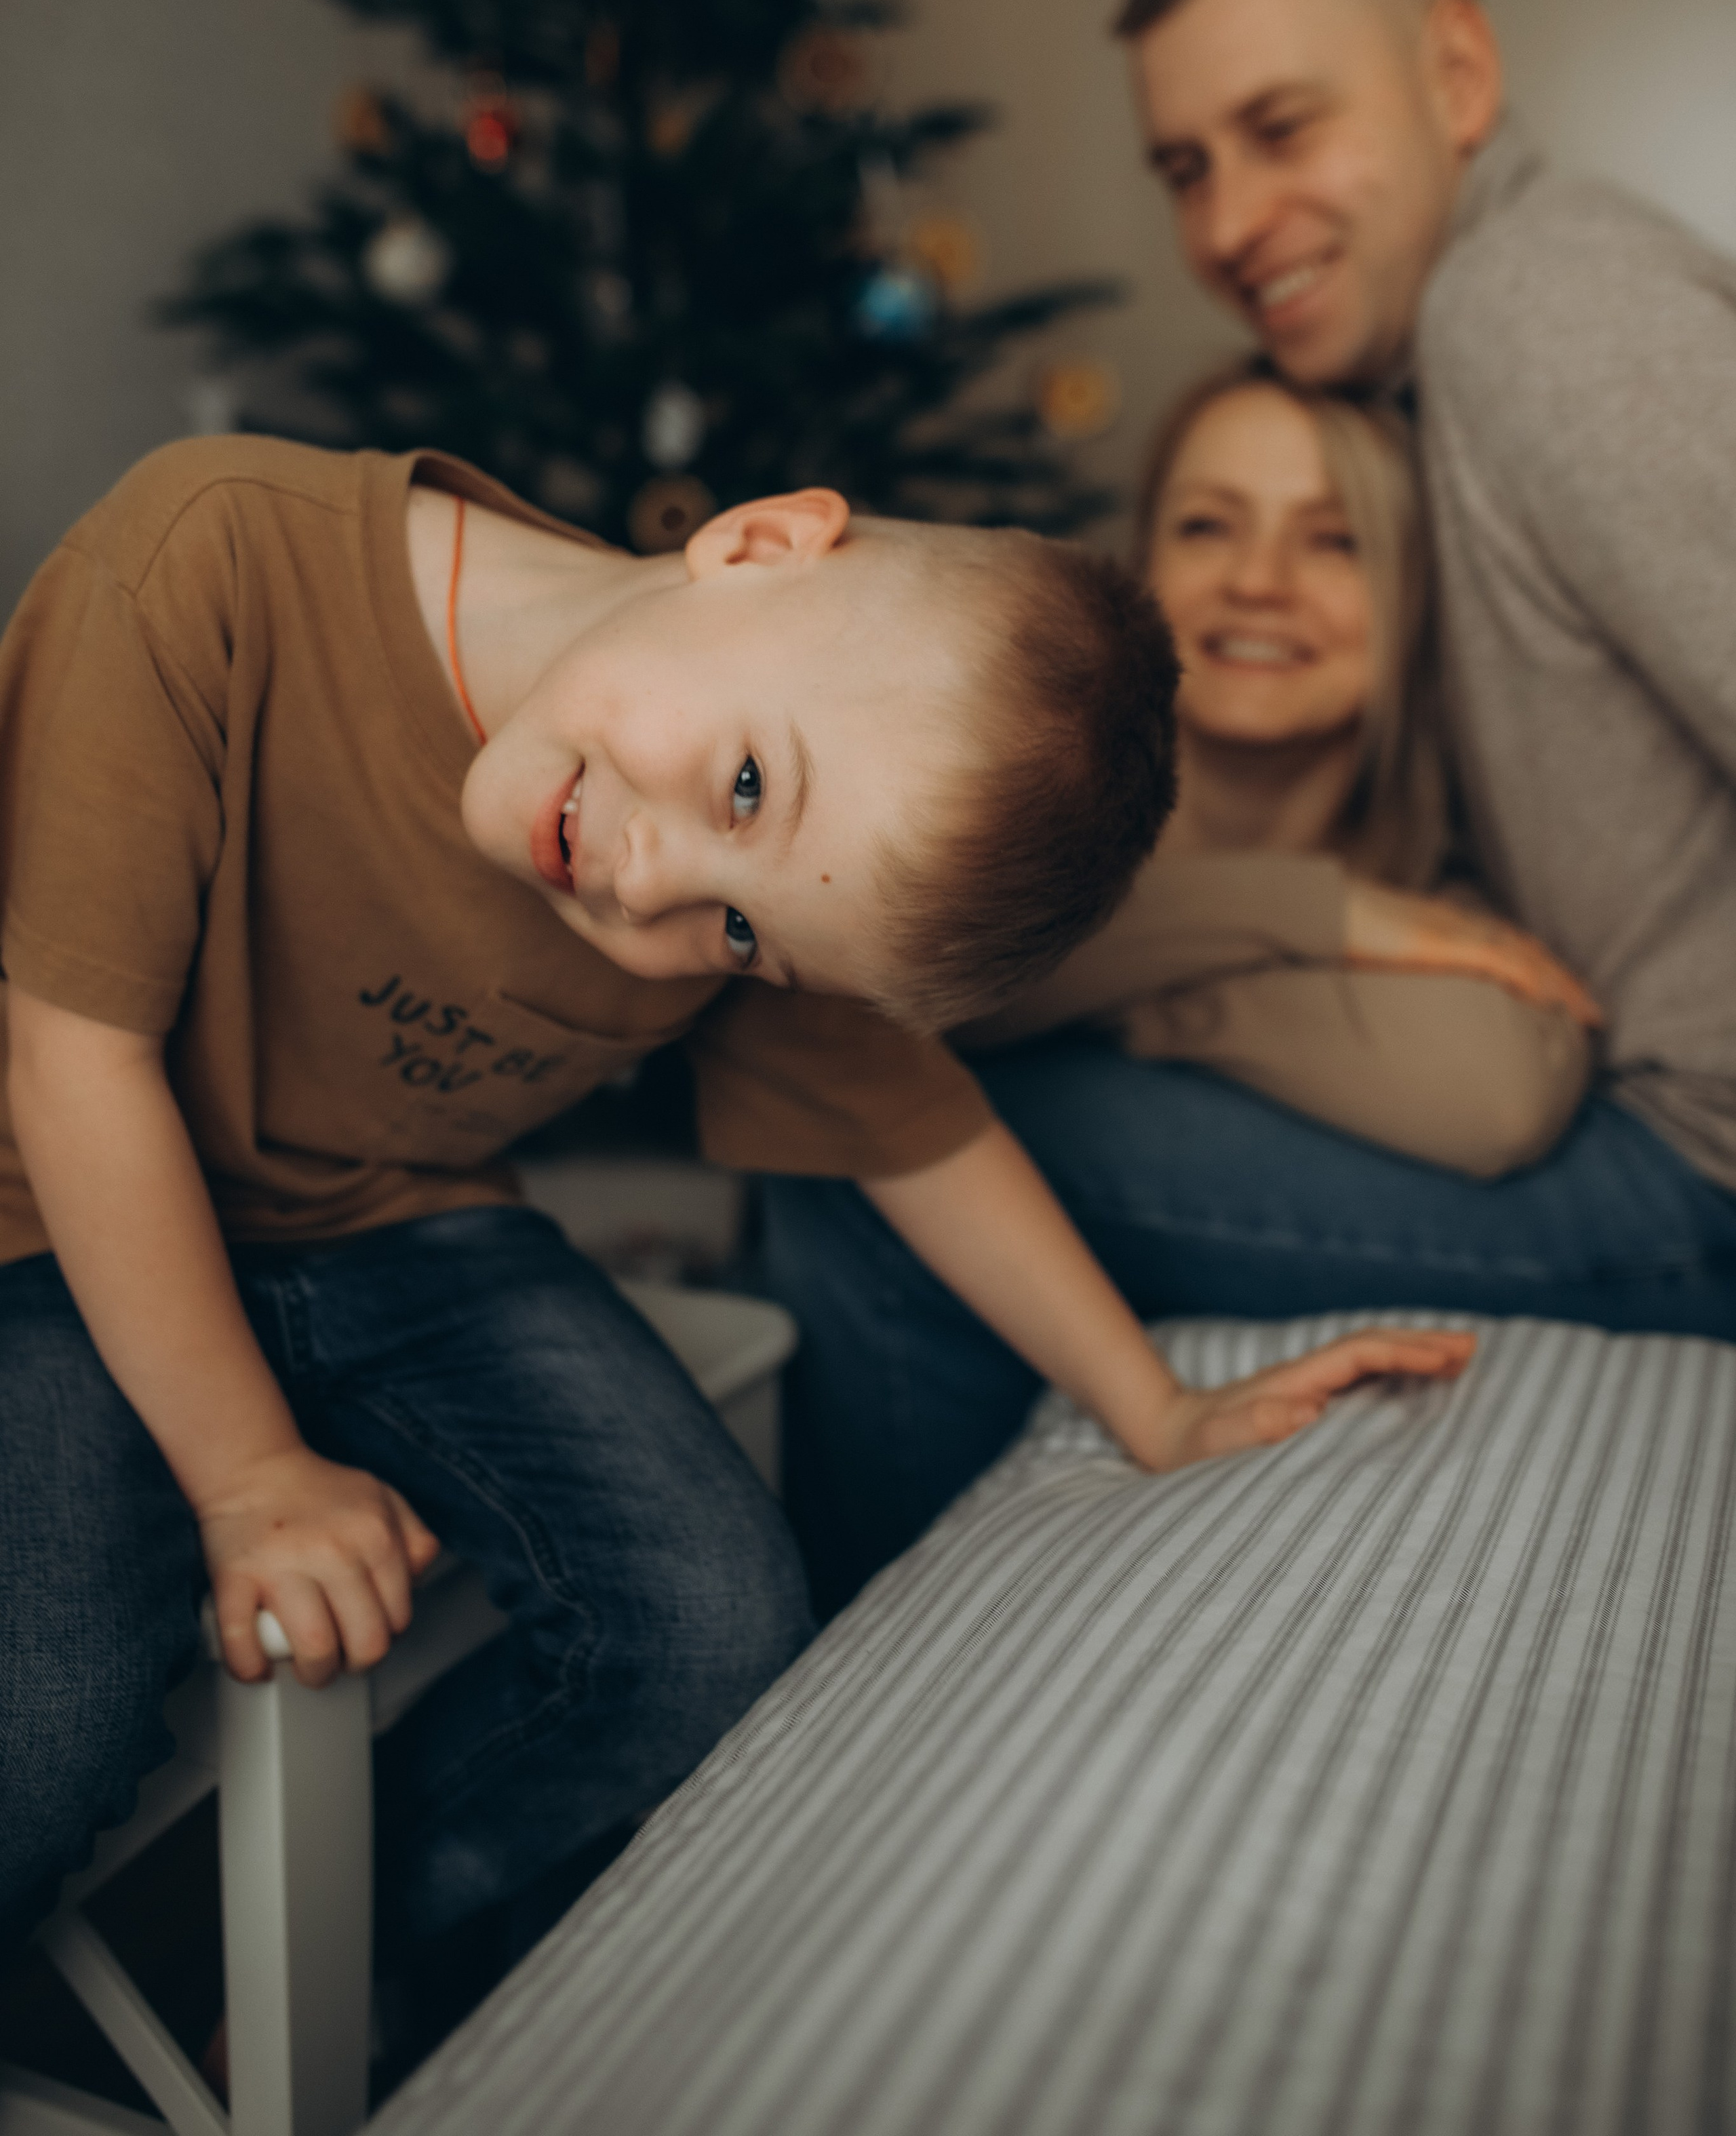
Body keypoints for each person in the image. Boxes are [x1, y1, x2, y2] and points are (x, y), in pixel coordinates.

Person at [0, 434, 1469, 2052]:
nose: (650, 888)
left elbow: (921, 1131)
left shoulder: (719, 866)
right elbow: (71, 1066)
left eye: (743, 933)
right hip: (29, 1205)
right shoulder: (217, 549)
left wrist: (1155, 1405)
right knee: (50, 1694)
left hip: (386, 1215)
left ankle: (211, 1982)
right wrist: (246, 1474)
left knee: (711, 1621)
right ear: (759, 545)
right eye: (748, 786)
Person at [761, 0, 1736, 1618]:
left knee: (867, 1173)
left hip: (1695, 1177)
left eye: (1283, 130)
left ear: (1455, 77)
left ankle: (892, 1679)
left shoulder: (1530, 310)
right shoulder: (1430, 371)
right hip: (1636, 1129)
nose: (1228, 224)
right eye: (1187, 168)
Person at [964, 362, 1599, 1178]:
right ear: (1140, 567)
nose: (1257, 582)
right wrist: (1309, 914)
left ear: (1413, 601)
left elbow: (1498, 1103)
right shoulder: (992, 810)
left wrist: (1114, 988)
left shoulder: (1442, 906)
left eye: (1335, 541)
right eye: (1206, 527)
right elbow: (893, 993)